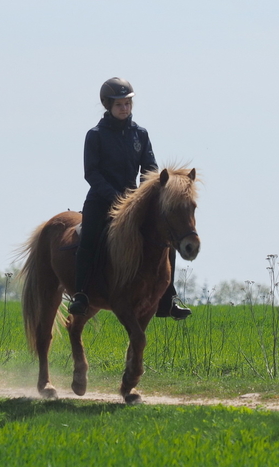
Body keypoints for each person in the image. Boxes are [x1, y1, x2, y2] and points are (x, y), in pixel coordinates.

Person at [67, 77, 191, 320]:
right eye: (119, 105)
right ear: (108, 107)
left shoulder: (140, 135)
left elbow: (150, 169)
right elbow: (91, 173)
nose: (124, 109)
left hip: (133, 202)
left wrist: (143, 195)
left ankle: (168, 298)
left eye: (127, 104)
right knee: (89, 238)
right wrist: (115, 197)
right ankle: (81, 294)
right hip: (101, 200)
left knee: (168, 240)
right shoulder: (95, 135)